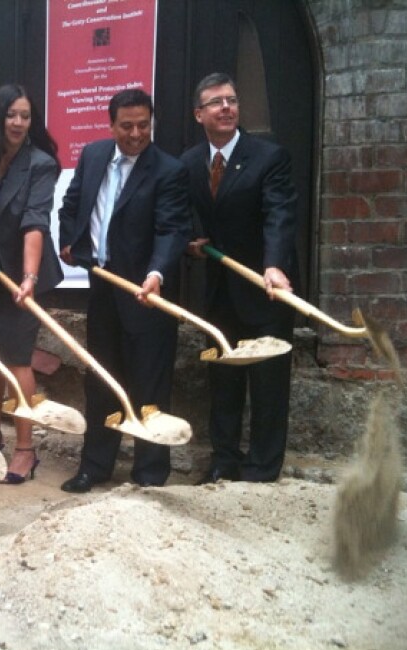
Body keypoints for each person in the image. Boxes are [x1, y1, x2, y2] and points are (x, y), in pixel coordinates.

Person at [58, 88, 191, 493]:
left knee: (149, 385)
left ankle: (149, 474)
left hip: (146, 292)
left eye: (143, 125)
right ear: (111, 124)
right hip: (103, 288)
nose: (136, 134)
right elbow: (72, 203)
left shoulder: (168, 170)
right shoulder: (94, 155)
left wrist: (157, 273)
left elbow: (172, 229)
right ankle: (95, 466)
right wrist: (70, 240)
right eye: (127, 126)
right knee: (101, 380)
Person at [182, 72, 298, 484]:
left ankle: (262, 468)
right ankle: (224, 461)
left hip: (266, 289)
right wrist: (190, 243)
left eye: (231, 100)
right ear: (199, 114)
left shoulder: (268, 157)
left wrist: (275, 264)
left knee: (268, 383)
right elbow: (184, 214)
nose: (227, 107)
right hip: (219, 292)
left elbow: (279, 214)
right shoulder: (189, 163)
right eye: (216, 102)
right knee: (224, 380)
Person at [0, 84, 63, 484]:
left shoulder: (40, 164)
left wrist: (28, 278)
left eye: (25, 116)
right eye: (12, 114)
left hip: (23, 277)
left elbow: (34, 223)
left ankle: (25, 449)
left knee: (17, 359)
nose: (19, 122)